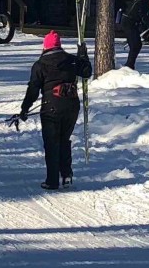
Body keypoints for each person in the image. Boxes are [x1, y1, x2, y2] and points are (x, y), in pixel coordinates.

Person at [12, 32, 92, 190]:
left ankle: (52, 180)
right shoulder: (71, 60)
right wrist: (83, 56)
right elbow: (86, 72)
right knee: (64, 140)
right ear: (59, 45)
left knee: (52, 143)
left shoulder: (40, 64)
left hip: (51, 106)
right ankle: (67, 175)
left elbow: (33, 89)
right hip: (71, 106)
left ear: (45, 46)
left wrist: (24, 109)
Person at [122, 0, 149, 69]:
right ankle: (129, 65)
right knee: (135, 45)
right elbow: (142, 14)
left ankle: (130, 64)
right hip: (130, 17)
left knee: (136, 44)